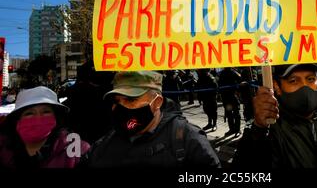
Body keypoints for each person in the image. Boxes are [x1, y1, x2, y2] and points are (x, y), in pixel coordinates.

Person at [81, 71, 220, 168]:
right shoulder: (104, 145)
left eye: (131, 99)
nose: (121, 107)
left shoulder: (188, 140)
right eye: (117, 101)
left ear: (157, 102)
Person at [0, 86, 90, 168]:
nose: (38, 118)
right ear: (18, 119)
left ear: (56, 116)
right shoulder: (3, 149)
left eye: (46, 112)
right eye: (29, 113)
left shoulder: (77, 150)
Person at [218, 67, 242, 137]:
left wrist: (237, 90)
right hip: (226, 97)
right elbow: (219, 84)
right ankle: (232, 129)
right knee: (229, 114)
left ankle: (237, 130)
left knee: (236, 114)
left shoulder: (233, 72)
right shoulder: (222, 73)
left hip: (233, 96)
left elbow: (240, 80)